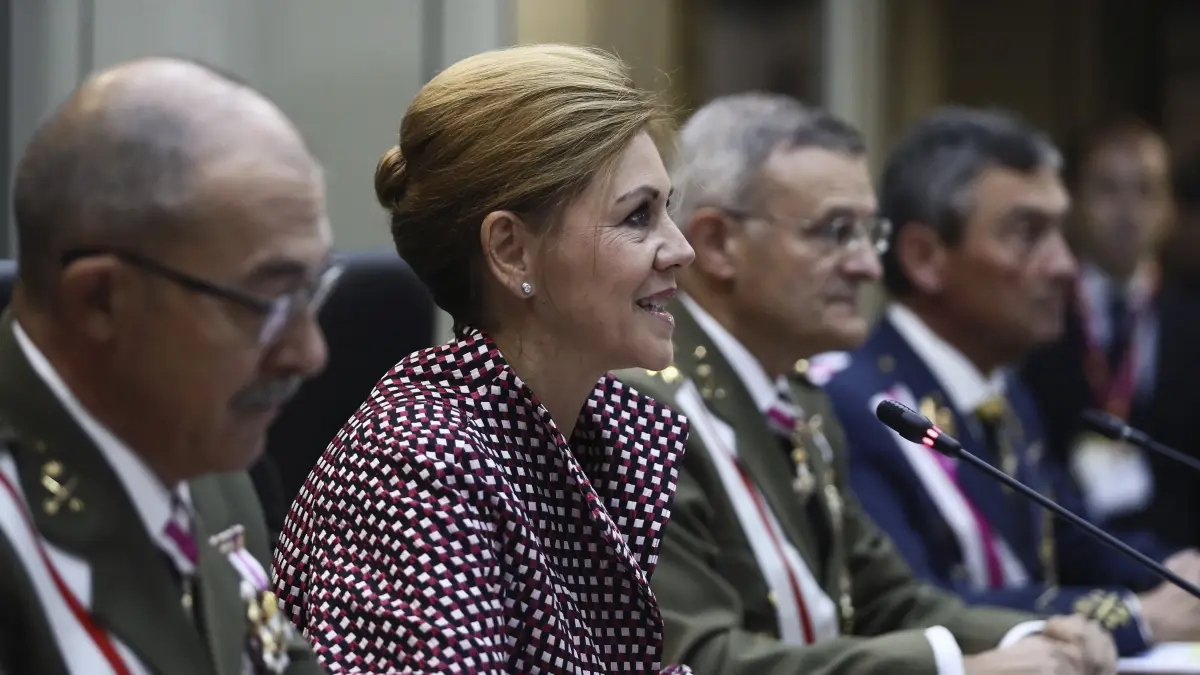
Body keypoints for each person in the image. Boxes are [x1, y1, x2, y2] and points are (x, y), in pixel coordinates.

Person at [619, 93, 1117, 675]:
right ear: (718, 245)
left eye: (867, 234)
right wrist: (961, 670)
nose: (869, 267)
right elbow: (698, 661)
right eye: (836, 232)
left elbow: (889, 600)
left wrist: (1037, 636)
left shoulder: (799, 401)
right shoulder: (648, 409)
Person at [272, 44, 696, 674]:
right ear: (511, 251)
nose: (681, 249)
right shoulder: (416, 466)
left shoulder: (601, 431)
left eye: (667, 210)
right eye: (638, 217)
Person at [820, 107, 1200, 655]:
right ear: (925, 257)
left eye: (1059, 233)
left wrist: (1178, 571)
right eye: (1028, 234)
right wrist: (1135, 617)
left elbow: (1078, 540)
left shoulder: (1004, 391)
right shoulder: (858, 405)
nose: (1064, 265)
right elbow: (914, 606)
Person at [0, 57, 331, 674]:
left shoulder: (207, 463)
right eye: (265, 303)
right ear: (100, 301)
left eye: (310, 291)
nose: (310, 353)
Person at [1023, 119, 1200, 550]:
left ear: (1170, 209)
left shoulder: (1191, 320)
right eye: (1107, 189)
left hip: (1179, 558)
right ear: (1072, 200)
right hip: (1061, 551)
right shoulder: (1031, 315)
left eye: (1146, 191)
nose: (1128, 211)